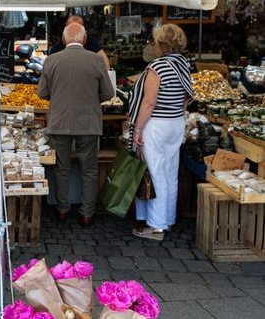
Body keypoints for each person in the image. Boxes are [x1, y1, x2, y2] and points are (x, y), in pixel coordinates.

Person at [37, 23, 114, 227]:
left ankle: (62, 210)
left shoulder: (52, 60)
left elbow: (42, 93)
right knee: (89, 169)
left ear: (63, 40)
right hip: (88, 122)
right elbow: (109, 93)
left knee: (61, 168)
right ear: (85, 38)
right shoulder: (96, 60)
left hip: (59, 121)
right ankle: (87, 213)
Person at [130, 24, 193, 241]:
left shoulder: (157, 67)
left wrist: (137, 128)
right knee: (169, 172)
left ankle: (156, 226)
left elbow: (148, 103)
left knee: (155, 173)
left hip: (156, 124)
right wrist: (176, 111)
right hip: (175, 122)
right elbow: (187, 96)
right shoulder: (183, 64)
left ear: (160, 44)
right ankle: (167, 217)